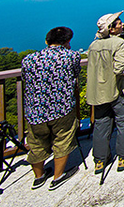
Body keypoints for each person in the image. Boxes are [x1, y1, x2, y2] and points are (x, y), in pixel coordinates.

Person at [21, 27, 81, 190]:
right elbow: (76, 75)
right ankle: (57, 176)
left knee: (36, 142)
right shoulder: (71, 56)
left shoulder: (29, 59)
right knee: (62, 139)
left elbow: (26, 79)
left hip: (35, 109)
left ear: (47, 41)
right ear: (68, 41)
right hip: (62, 106)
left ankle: (39, 177)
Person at [86, 11, 124, 173]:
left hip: (99, 92)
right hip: (119, 90)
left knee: (101, 124)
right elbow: (120, 68)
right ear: (111, 29)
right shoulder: (119, 44)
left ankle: (100, 160)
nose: (123, 25)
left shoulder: (93, 45)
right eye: (119, 24)